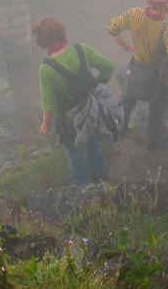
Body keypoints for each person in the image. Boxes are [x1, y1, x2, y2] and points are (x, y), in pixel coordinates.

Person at [32, 17, 116, 185]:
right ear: (62, 32)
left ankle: (82, 185)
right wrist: (96, 86)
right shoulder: (82, 50)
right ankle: (101, 176)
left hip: (67, 119)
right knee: (92, 142)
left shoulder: (47, 69)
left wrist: (45, 125)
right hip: (90, 109)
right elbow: (109, 66)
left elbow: (50, 105)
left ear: (41, 41)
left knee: (74, 152)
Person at [107, 0, 168, 151]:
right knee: (158, 106)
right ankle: (154, 138)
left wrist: (127, 46)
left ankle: (121, 128)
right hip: (155, 75)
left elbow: (112, 27)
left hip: (135, 68)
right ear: (165, 3)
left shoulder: (135, 14)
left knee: (128, 98)